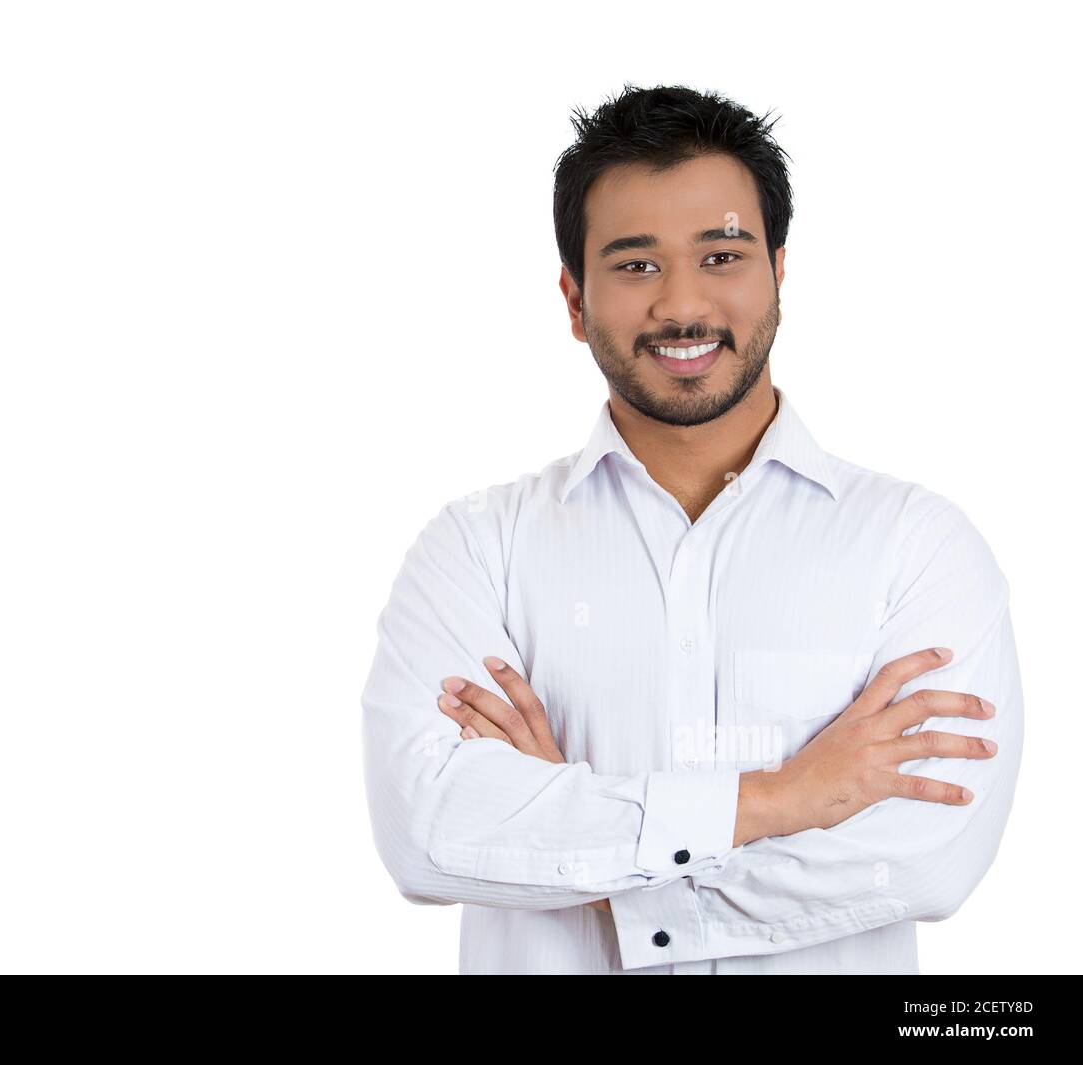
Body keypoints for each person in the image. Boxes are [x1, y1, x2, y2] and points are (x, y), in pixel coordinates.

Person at [359, 84, 1023, 974]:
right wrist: (786, 797)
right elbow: (427, 834)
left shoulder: (916, 547)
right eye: (635, 265)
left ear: (779, 273)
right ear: (572, 296)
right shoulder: (479, 550)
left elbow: (927, 859)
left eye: (720, 255)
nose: (681, 306)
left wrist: (575, 850)